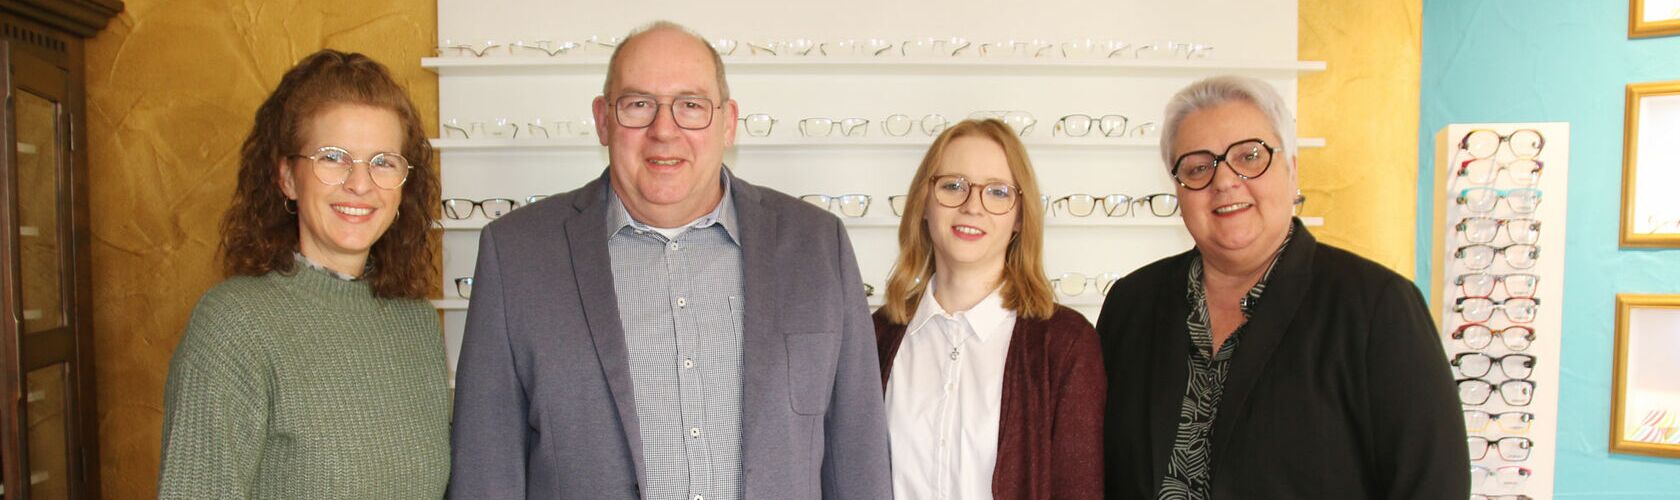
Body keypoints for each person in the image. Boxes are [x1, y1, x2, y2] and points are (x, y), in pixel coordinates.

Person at [447, 21, 892, 499]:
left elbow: (859, 461)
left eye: (691, 106)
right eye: (638, 105)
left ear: (728, 122)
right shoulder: (517, 256)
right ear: (602, 120)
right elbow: (485, 470)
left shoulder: (818, 246)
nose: (664, 130)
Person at [1097, 75, 1469, 499]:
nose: (1225, 181)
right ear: (1178, 190)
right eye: (1198, 167)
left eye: (1250, 156)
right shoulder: (1132, 305)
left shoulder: (1377, 309)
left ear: (1292, 168)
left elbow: (1432, 485)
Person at [157, 49, 448, 498]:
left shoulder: (417, 323)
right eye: (333, 157)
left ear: (403, 185)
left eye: (383, 161)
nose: (360, 183)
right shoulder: (234, 325)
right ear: (288, 178)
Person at [874, 119, 1105, 500]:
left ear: (1020, 217)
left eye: (997, 192)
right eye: (953, 186)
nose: (972, 206)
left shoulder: (1065, 344)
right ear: (924, 203)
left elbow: (1079, 488)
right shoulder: (876, 336)